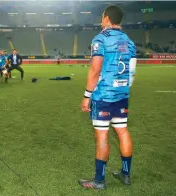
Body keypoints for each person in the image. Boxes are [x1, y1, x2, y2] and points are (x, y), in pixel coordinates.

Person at [79, 5, 136, 190]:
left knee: (102, 135)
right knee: (122, 131)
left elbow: (95, 70)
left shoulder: (100, 39)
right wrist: (122, 88)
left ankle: (99, 180)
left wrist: (87, 96)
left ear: (106, 18)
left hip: (103, 95)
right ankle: (125, 175)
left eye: (102, 16)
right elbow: (132, 73)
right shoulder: (129, 41)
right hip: (122, 94)